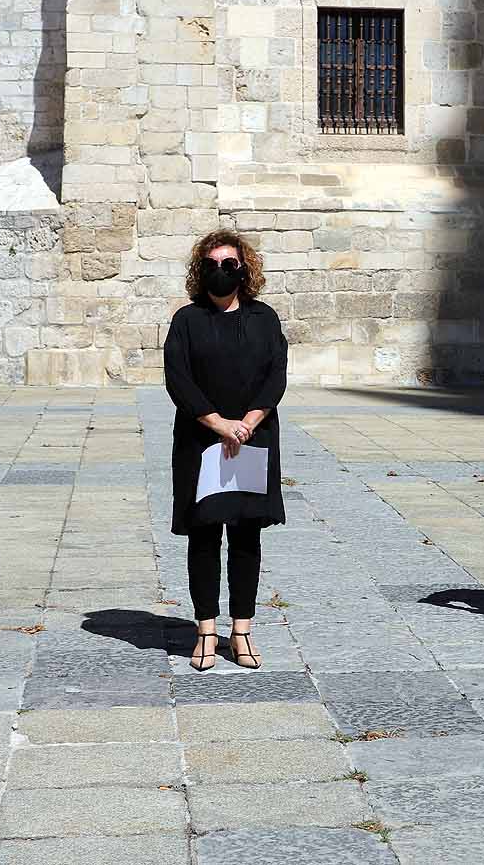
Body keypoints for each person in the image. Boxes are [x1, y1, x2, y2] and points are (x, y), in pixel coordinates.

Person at [163, 230, 288, 671]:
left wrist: (248, 423)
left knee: (246, 536)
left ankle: (242, 632)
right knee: (204, 536)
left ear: (245, 268)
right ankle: (205, 630)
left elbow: (276, 375)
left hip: (253, 440)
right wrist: (218, 424)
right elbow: (178, 379)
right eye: (213, 263)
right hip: (202, 441)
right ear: (202, 269)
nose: (222, 270)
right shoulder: (187, 320)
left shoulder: (264, 318)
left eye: (230, 263)